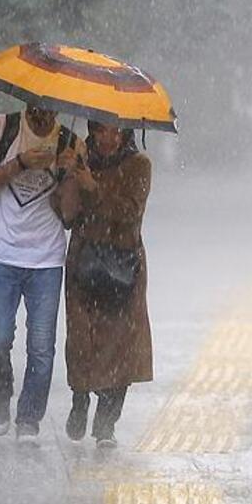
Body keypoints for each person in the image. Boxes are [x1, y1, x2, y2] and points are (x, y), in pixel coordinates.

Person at [0, 105, 78, 446]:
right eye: (38, 106)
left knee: (42, 346)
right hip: (0, 253)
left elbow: (70, 215)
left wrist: (69, 174)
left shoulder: (70, 142)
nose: (44, 115)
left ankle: (30, 417)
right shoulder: (0, 127)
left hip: (46, 258)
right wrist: (20, 163)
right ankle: (1, 389)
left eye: (51, 109)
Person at [57, 121, 153, 448]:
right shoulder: (80, 157)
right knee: (82, 338)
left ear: (126, 133)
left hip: (123, 263)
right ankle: (80, 397)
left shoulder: (139, 164)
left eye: (115, 131)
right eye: (100, 130)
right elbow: (66, 216)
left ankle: (106, 423)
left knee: (121, 344)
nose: (108, 138)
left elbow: (129, 212)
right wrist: (69, 178)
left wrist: (93, 186)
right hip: (84, 260)